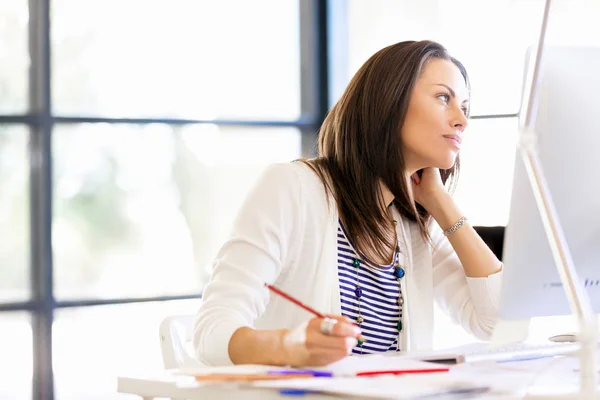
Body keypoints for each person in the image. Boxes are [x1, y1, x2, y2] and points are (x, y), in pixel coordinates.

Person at [193, 40, 503, 367]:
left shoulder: (413, 226)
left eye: (465, 108)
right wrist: (289, 345)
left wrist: (440, 202)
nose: (462, 121)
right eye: (444, 98)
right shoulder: (292, 189)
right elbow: (211, 331)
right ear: (389, 101)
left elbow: (495, 322)